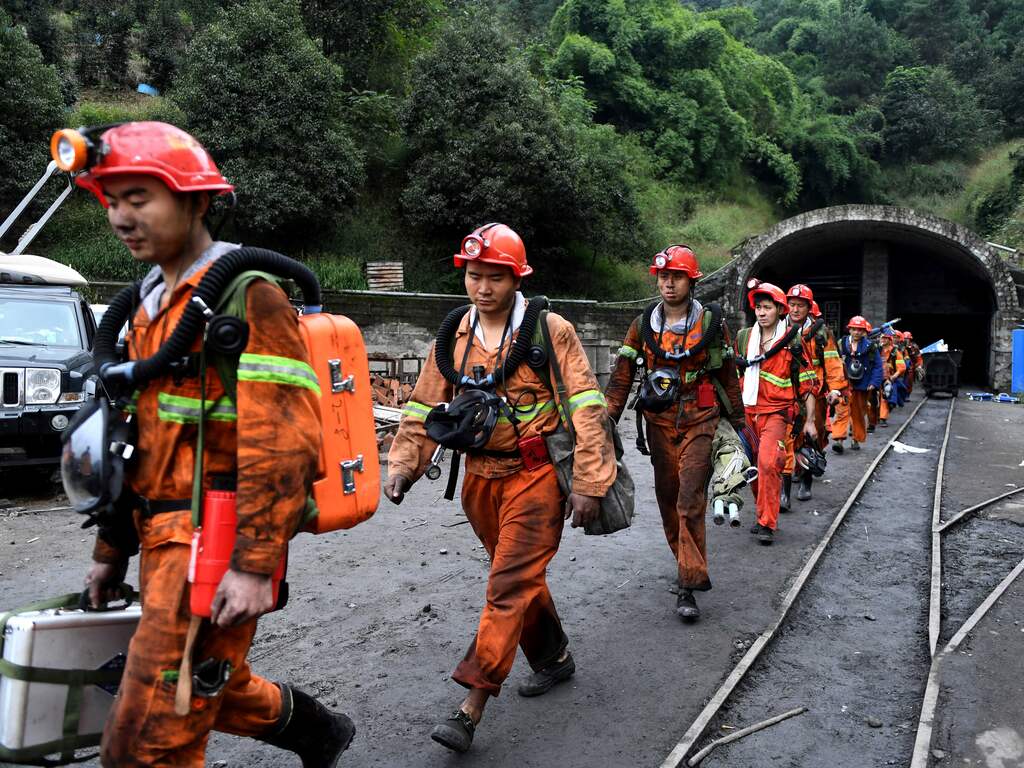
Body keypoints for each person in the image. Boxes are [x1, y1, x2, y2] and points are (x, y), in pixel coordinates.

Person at [77, 123, 353, 767]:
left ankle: (316, 731)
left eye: (139, 198)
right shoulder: (148, 307)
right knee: (190, 693)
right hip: (160, 535)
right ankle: (317, 731)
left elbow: (283, 444)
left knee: (149, 742)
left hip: (211, 539)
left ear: (197, 201)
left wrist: (254, 563)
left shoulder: (248, 297)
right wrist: (110, 551)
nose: (121, 217)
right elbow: (135, 443)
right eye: (112, 201)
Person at [385, 223, 617, 753]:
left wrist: (588, 481)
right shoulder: (454, 335)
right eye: (474, 276)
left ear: (517, 278)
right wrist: (403, 466)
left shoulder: (549, 330)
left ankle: (472, 703)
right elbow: (424, 404)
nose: (483, 287)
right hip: (479, 480)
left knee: (507, 584)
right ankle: (554, 657)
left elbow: (586, 405)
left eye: (495, 277)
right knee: (518, 577)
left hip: (536, 478)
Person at [604, 245, 745, 620]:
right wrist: (604, 423)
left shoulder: (711, 324)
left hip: (701, 418)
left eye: (677, 277)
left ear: (691, 281)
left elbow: (728, 377)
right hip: (660, 421)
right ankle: (685, 561)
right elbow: (621, 379)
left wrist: (741, 426)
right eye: (663, 276)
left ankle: (688, 584)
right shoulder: (642, 326)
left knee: (689, 497)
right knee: (668, 499)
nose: (668, 283)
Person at [734, 281, 818, 545]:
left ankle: (767, 523)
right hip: (747, 413)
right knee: (750, 467)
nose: (761, 312)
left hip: (777, 414)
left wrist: (810, 421)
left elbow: (807, 384)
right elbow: (733, 376)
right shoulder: (744, 338)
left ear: (780, 310)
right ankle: (762, 513)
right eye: (758, 307)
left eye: (767, 307)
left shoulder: (793, 341)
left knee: (769, 464)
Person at [784, 285, 847, 502]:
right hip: (785, 393)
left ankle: (806, 480)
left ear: (809, 307)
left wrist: (835, 389)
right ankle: (788, 481)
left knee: (812, 436)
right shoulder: (778, 328)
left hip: (815, 394)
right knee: (787, 438)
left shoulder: (821, 333)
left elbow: (832, 362)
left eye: (800, 305)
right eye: (792, 305)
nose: (795, 309)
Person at [832, 316, 883, 452]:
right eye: (854, 329)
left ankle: (856, 438)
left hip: (862, 385)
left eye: (860, 330)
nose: (857, 332)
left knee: (858, 413)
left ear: (864, 331)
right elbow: (832, 362)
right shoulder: (841, 343)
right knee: (842, 411)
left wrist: (874, 382)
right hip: (844, 383)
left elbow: (878, 366)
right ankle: (839, 440)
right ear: (849, 330)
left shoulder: (870, 346)